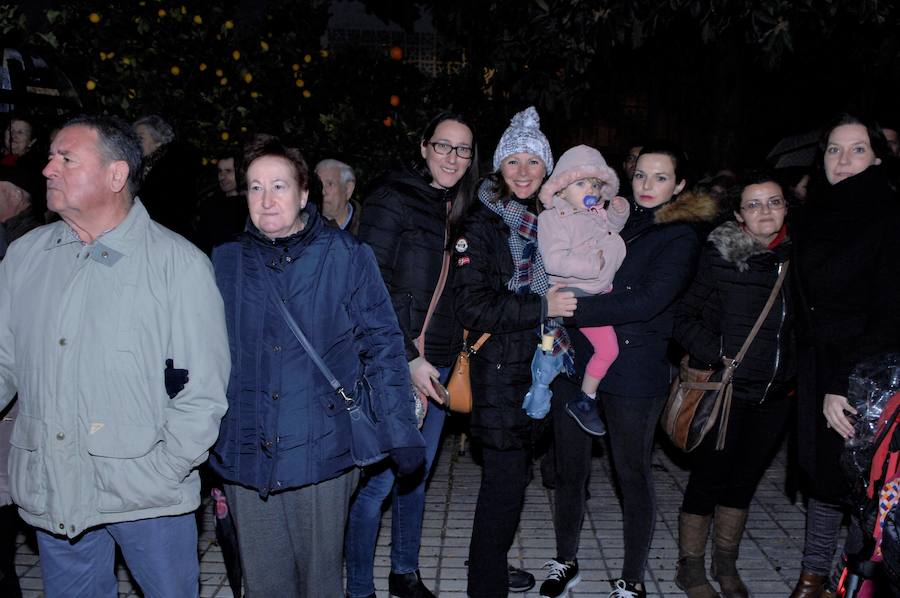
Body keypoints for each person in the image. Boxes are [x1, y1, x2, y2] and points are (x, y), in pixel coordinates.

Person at [0, 115, 230, 597]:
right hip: (54, 484)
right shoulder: (25, 258)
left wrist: (168, 467)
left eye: (66, 158)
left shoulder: (177, 265)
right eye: (50, 157)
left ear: (116, 175)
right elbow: (3, 361)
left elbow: (202, 389)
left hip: (148, 494)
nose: (48, 169)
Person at [210, 136, 424, 597]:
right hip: (248, 454)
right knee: (264, 587)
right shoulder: (224, 262)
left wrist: (400, 430)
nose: (266, 200)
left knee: (321, 585)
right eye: (254, 188)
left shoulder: (345, 256)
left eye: (279, 186)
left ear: (304, 193)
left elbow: (383, 347)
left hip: (321, 453)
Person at [542, 145, 716, 598]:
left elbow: (647, 302)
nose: (647, 185)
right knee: (569, 469)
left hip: (636, 372)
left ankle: (632, 580)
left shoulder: (679, 236)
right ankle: (565, 560)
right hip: (578, 362)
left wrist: (571, 309)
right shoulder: (614, 217)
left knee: (631, 474)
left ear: (679, 186)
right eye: (641, 175)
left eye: (661, 178)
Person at [346, 112, 483, 598]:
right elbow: (367, 285)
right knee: (381, 482)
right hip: (397, 362)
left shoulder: (465, 209)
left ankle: (405, 573)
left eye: (463, 149)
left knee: (416, 475)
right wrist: (407, 358)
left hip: (442, 362)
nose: (452, 157)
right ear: (424, 147)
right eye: (443, 146)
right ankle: (358, 588)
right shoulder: (393, 198)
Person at [453, 106, 575, 598]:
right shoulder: (482, 225)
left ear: (546, 168)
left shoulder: (552, 221)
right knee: (502, 490)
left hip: (537, 371)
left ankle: (491, 568)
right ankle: (485, 586)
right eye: (512, 162)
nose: (523, 172)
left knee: (512, 483)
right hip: (500, 374)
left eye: (532, 162)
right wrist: (542, 303)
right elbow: (472, 305)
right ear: (498, 169)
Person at [790, 113, 900, 597]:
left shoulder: (888, 215)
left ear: (878, 156)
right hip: (819, 366)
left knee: (859, 480)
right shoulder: (818, 213)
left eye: (857, 149)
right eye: (834, 149)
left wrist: (842, 384)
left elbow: (886, 311)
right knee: (823, 474)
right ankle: (813, 575)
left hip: (865, 373)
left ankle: (853, 581)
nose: (843, 159)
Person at [672, 172, 795, 598]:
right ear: (740, 214)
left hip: (776, 396)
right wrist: (717, 356)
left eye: (774, 202)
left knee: (744, 482)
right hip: (727, 394)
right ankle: (689, 567)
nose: (766, 211)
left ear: (786, 207)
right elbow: (682, 317)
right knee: (709, 479)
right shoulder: (720, 256)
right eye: (755, 204)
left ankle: (725, 564)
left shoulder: (798, 259)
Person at [535, 145, 629, 434]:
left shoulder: (592, 212)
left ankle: (569, 389)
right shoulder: (554, 218)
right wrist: (592, 265)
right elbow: (553, 259)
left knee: (583, 350)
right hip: (573, 294)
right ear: (561, 190)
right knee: (605, 348)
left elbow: (610, 229)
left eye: (596, 184)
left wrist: (618, 213)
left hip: (595, 291)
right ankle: (580, 398)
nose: (591, 189)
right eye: (580, 183)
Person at [133, 115, 201, 240]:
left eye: (140, 137)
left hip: (169, 236)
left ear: (158, 140)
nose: (135, 142)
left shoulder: (176, 164)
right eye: (134, 138)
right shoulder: (139, 166)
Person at [195, 154, 248, 255]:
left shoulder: (252, 204)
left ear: (240, 172)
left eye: (228, 171)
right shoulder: (210, 203)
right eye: (220, 171)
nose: (222, 177)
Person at [315, 158, 360, 234]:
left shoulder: (370, 225)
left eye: (329, 184)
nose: (322, 191)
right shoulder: (302, 224)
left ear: (348, 189)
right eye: (318, 184)